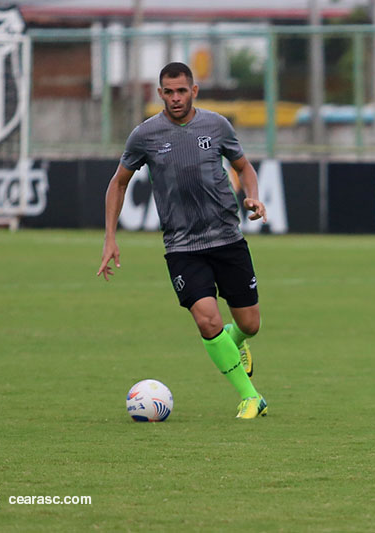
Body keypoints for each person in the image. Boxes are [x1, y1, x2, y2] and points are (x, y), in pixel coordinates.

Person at [97, 62, 268, 419]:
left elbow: (244, 167)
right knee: (207, 321)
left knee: (250, 324)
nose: (175, 98)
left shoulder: (216, 125)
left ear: (194, 91)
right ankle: (251, 396)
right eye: (168, 92)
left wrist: (252, 196)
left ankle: (236, 343)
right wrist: (110, 238)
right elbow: (118, 182)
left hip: (226, 238)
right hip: (182, 246)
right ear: (160, 94)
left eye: (181, 91)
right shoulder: (145, 135)